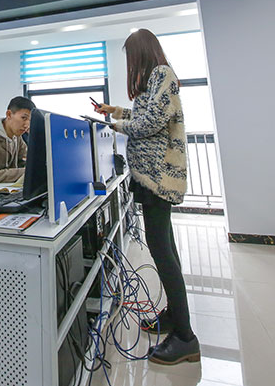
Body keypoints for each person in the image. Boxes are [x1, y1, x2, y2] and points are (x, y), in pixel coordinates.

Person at [93, 29, 200, 365]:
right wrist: (115, 111)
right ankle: (174, 315)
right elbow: (143, 115)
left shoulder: (162, 74)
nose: (130, 64)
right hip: (150, 177)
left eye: (131, 57)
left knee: (162, 252)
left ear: (141, 53)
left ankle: (185, 337)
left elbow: (151, 122)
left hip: (158, 177)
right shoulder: (154, 80)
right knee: (166, 249)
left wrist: (115, 126)